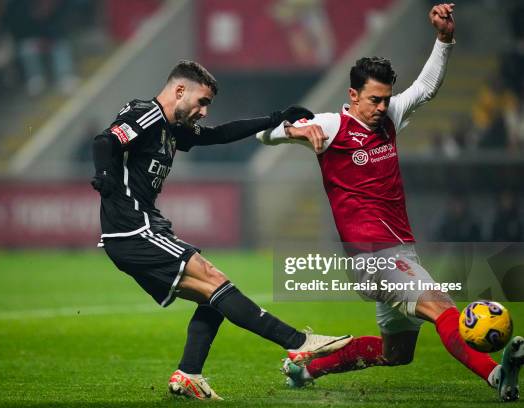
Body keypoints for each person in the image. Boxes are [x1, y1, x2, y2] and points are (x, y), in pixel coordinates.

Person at [257, 3, 524, 402]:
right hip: (372, 256)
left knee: (395, 353)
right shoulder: (332, 126)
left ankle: (305, 367)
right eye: (374, 100)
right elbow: (264, 135)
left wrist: (444, 40)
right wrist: (290, 129)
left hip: (401, 251)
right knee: (441, 305)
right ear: (353, 95)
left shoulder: (389, 117)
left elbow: (425, 88)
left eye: (386, 99)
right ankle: (497, 374)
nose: (382, 107)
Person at [90, 60, 352, 400]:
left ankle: (188, 375)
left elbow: (219, 134)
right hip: (133, 228)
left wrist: (276, 117)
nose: (203, 111)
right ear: (179, 90)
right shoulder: (148, 114)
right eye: (202, 102)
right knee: (215, 280)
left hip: (143, 227)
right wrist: (106, 175)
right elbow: (104, 142)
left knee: (214, 299)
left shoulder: (172, 128)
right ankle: (299, 344)